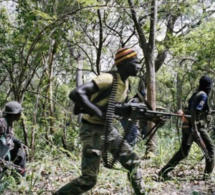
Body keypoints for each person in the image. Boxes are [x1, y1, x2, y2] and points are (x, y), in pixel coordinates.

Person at [53, 47, 145, 195]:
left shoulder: (125, 83)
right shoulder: (108, 78)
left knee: (133, 162)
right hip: (92, 130)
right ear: (125, 63)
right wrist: (99, 113)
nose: (139, 67)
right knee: (89, 179)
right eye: (136, 63)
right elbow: (76, 93)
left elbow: (113, 106)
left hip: (108, 129)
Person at [158, 75, 214, 180]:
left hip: (186, 126)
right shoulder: (203, 96)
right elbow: (193, 111)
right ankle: (207, 177)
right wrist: (196, 131)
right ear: (208, 87)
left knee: (183, 152)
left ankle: (163, 172)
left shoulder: (195, 94)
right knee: (210, 149)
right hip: (196, 128)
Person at [0, 101, 27, 176]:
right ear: (14, 114)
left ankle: (19, 180)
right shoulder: (1, 123)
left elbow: (10, 136)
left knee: (20, 153)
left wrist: (19, 142)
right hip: (1, 155)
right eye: (19, 113)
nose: (20, 115)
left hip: (6, 151)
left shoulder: (9, 123)